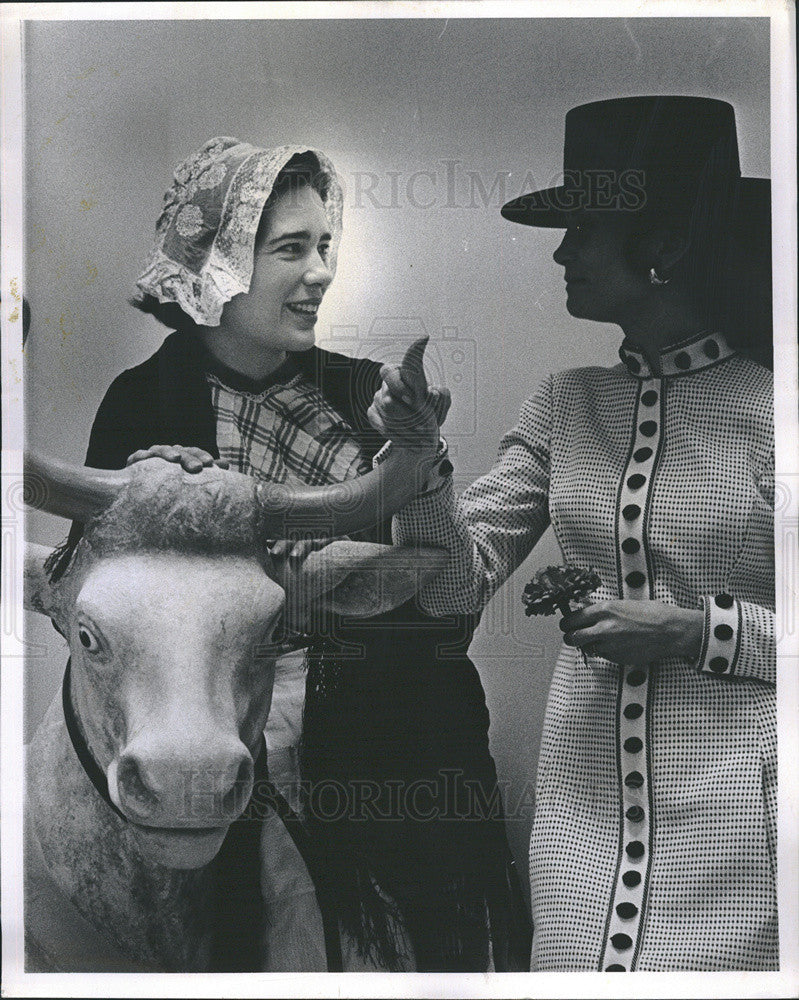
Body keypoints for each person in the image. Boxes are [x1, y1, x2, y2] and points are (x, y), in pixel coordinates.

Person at [57, 137, 531, 972]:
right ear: (218, 261)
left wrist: (416, 461)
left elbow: (449, 597)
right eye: (289, 249)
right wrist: (168, 498)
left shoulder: (372, 395)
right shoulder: (139, 404)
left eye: (324, 247)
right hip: (214, 734)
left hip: (384, 756)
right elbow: (104, 606)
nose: (318, 272)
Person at [368, 97, 776, 971]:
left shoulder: (776, 413)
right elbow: (452, 585)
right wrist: (414, 454)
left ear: (663, 247)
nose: (561, 252)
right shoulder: (566, 403)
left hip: (745, 825)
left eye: (582, 229)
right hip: (580, 827)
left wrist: (696, 631)